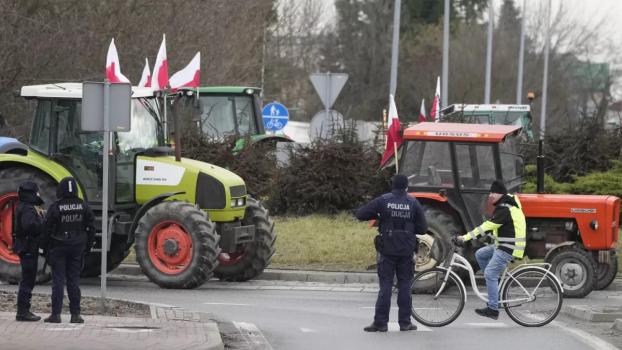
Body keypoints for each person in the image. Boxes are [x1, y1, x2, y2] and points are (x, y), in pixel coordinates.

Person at [355, 174, 427, 332]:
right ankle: (405, 323)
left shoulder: (383, 200)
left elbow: (360, 214)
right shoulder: (413, 202)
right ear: (406, 187)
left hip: (387, 249)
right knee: (405, 286)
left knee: (386, 286)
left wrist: (379, 215)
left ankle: (380, 323)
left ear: (392, 186)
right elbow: (422, 228)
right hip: (407, 250)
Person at [455, 180, 526, 320]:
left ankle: (493, 309)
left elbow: (488, 225)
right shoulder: (506, 206)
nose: (491, 195)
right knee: (480, 254)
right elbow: (500, 228)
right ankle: (496, 289)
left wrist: (466, 237)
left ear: (501, 194)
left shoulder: (504, 208)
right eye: (490, 193)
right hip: (504, 244)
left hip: (508, 247)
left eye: (494, 192)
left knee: (490, 273)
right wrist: (488, 238)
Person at [42, 177, 95, 323]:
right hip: (77, 247)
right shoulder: (83, 206)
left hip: (58, 247)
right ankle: (75, 314)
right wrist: (88, 246)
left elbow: (46, 229)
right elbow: (91, 227)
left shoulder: (56, 206)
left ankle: (56, 314)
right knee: (73, 281)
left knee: (58, 281)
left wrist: (44, 248)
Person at [13, 182, 45, 322]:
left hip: (27, 247)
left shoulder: (25, 206)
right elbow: (30, 226)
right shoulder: (27, 208)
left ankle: (24, 310)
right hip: (27, 248)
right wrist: (44, 221)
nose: (39, 194)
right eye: (37, 192)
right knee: (28, 279)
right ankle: (23, 311)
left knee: (28, 279)